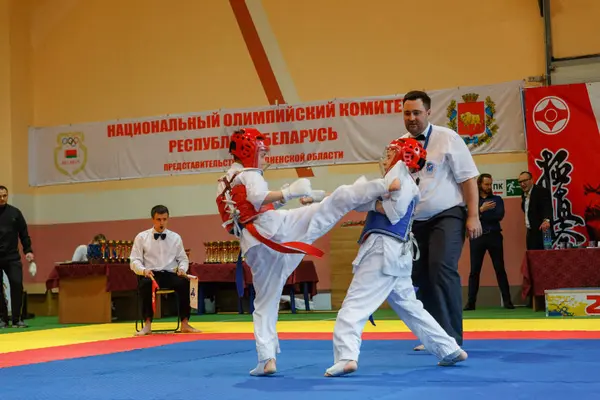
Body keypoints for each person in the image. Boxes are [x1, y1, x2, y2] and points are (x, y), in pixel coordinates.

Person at [216, 128, 400, 376]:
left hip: (255, 246)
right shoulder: (249, 174)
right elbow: (258, 198)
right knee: (334, 204)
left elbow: (248, 208)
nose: (264, 156)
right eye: (261, 150)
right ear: (249, 150)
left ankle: (266, 359)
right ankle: (383, 186)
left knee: (264, 303)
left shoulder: (225, 180)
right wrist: (289, 192)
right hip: (275, 231)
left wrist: (290, 197)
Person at [324, 138, 468, 377]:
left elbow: (393, 212)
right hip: (396, 254)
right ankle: (449, 348)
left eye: (390, 152)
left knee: (353, 307)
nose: (385, 157)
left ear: (402, 156)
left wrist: (367, 201)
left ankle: (347, 356)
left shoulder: (398, 178)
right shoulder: (401, 179)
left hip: (382, 251)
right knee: (411, 308)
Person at [400, 91, 481, 351]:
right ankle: (433, 336)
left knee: (441, 267)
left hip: (448, 215)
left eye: (416, 113)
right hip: (415, 222)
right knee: (420, 275)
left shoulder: (448, 138)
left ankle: (451, 338)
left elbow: (468, 179)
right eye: (407, 113)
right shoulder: (398, 144)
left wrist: (473, 215)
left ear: (428, 112)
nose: (411, 118)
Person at [130, 205, 199, 335]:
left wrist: (182, 269)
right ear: (152, 219)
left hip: (169, 273)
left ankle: (185, 323)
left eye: (164, 219)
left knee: (184, 283)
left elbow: (183, 259)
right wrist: (143, 270)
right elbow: (134, 260)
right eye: (158, 219)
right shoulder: (141, 237)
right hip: (151, 274)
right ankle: (147, 324)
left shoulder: (175, 238)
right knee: (145, 285)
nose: (162, 222)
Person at [464, 173, 513, 311]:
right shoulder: (473, 200)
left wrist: (478, 215)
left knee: (500, 269)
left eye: (490, 184)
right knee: (474, 271)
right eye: (486, 184)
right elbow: (468, 216)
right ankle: (471, 303)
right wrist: (481, 210)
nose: (489, 186)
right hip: (477, 236)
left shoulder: (497, 199)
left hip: (494, 236)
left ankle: (508, 301)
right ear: (479, 185)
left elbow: (499, 215)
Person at [0, 185, 34, 328]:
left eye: (4, 196)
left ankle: (16, 319)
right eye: (0, 196)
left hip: (12, 256)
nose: (2, 198)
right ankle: (2, 319)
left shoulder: (15, 213)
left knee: (16, 284)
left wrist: (28, 250)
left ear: (7, 196)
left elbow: (24, 234)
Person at [518, 171, 552, 250]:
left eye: (525, 181)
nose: (522, 184)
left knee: (546, 256)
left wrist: (546, 220)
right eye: (520, 182)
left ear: (531, 180)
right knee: (532, 256)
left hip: (544, 231)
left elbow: (547, 207)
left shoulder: (541, 191)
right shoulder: (523, 194)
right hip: (530, 231)